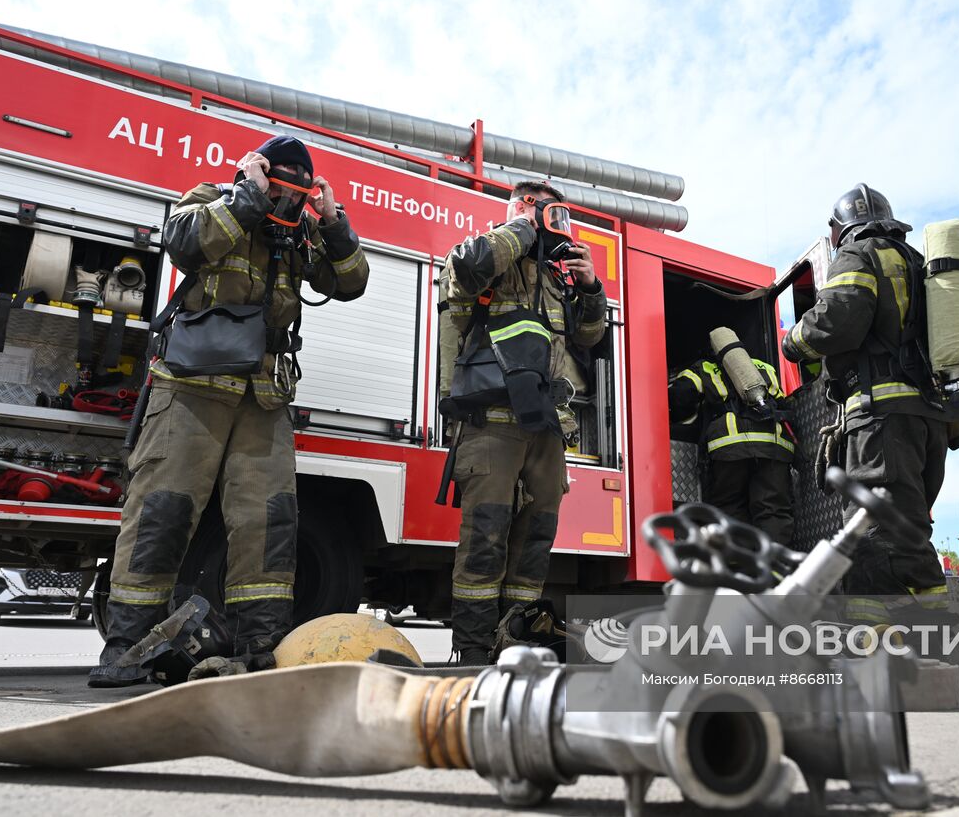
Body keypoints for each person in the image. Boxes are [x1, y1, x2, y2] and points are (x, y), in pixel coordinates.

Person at [89, 135, 369, 687]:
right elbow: (183, 246)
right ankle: (125, 648)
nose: (288, 196)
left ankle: (259, 649)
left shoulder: (303, 231)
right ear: (260, 171)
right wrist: (248, 195)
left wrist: (332, 220)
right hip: (189, 388)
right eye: (280, 181)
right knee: (161, 514)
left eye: (298, 185)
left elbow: (350, 282)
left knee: (268, 525)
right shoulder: (215, 197)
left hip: (262, 396)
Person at [437, 180, 607, 665]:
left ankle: (515, 644)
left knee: (536, 539)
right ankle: (472, 654)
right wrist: (522, 227)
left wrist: (590, 286)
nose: (558, 224)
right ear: (525, 210)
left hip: (546, 427)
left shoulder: (556, 281)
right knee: (484, 538)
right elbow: (466, 270)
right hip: (490, 420)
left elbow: (590, 336)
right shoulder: (489, 254)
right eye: (549, 213)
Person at [781, 184, 959, 628]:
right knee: (908, 525)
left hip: (880, 418)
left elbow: (836, 322)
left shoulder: (860, 252)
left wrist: (792, 342)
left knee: (868, 526)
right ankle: (932, 625)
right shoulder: (917, 261)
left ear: (840, 228)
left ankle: (877, 634)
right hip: (927, 418)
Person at [668, 340, 795, 545]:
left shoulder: (703, 368)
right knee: (772, 509)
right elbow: (784, 404)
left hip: (729, 446)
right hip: (774, 445)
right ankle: (775, 565)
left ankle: (739, 564)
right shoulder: (765, 368)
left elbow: (680, 398)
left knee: (730, 505)